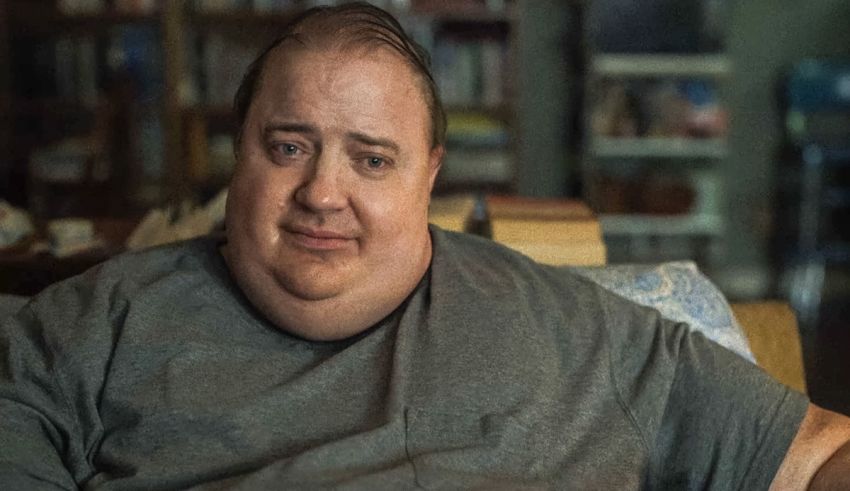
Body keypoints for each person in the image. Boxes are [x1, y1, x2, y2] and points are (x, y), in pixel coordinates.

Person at [1, 3, 849, 489]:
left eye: (372, 159)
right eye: (289, 146)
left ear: (428, 174)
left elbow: (817, 452)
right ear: (238, 152)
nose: (322, 192)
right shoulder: (88, 327)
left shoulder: (579, 331)